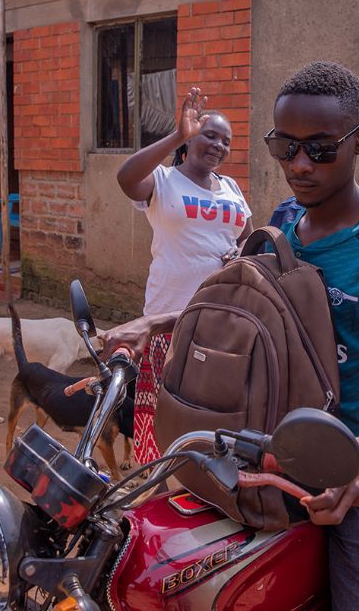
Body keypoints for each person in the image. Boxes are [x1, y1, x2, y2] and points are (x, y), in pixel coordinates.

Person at [107, 62, 359, 611]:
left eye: (320, 148)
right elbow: (248, 308)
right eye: (284, 147)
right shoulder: (285, 220)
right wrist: (153, 323)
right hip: (270, 454)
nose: (299, 165)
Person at [115, 86, 252, 465]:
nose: (218, 145)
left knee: (207, 407)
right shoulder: (163, 181)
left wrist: (240, 253)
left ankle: (202, 474)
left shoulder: (231, 189)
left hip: (220, 319)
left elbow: (247, 237)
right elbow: (126, 178)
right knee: (163, 406)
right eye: (210, 135)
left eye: (226, 141)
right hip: (167, 318)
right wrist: (176, 135)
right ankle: (157, 478)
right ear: (191, 137)